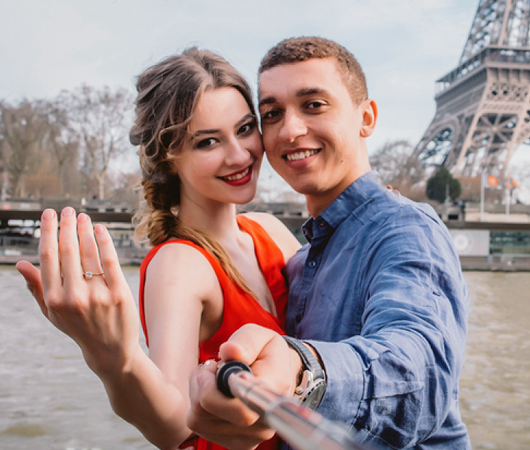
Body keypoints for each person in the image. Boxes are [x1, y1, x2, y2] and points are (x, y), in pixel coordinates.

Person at [186, 37, 471, 450]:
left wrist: (304, 372)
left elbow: (419, 373)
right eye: (271, 114)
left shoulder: (407, 230)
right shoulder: (299, 262)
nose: (290, 129)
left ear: (366, 117)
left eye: (313, 104)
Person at [16, 48, 300, 450]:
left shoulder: (271, 231)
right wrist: (116, 359)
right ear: (169, 158)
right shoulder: (179, 263)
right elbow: (176, 426)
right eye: (207, 142)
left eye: (244, 128)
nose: (239, 155)